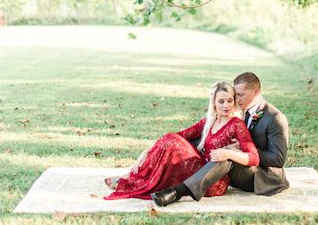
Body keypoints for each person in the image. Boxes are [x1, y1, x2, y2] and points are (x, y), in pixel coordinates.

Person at [151, 72, 289, 206]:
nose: (236, 100)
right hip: (240, 167)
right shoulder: (242, 110)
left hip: (263, 176)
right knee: (203, 138)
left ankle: (178, 191)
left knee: (226, 156)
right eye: (236, 95)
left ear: (256, 92)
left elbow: (278, 159)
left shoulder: (275, 118)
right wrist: (160, 145)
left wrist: (239, 150)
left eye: (240, 95)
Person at [104, 81, 259, 200]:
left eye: (229, 101)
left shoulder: (236, 124)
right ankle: (133, 176)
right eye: (221, 101)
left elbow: (254, 158)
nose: (226, 106)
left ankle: (131, 179)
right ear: (214, 103)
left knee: (173, 142)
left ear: (234, 102)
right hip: (199, 167)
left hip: (213, 180)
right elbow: (178, 135)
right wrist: (147, 150)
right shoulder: (209, 122)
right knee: (171, 139)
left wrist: (228, 154)